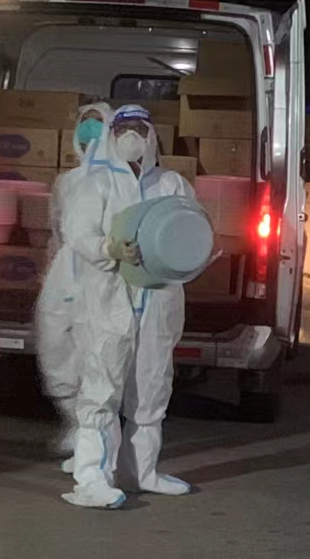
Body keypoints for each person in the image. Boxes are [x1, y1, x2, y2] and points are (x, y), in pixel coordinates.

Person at [62, 103, 194, 508]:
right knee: (101, 390)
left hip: (158, 299)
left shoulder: (172, 184)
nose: (132, 135)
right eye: (123, 128)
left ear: (153, 134)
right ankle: (92, 481)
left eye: (139, 127)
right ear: (111, 135)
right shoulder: (98, 184)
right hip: (109, 298)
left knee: (152, 388)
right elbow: (78, 233)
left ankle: (141, 472)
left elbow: (193, 231)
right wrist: (109, 249)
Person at [35, 102, 113, 465]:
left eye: (98, 125)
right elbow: (55, 229)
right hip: (66, 269)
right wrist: (49, 271)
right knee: (53, 339)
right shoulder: (66, 182)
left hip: (103, 269)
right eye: (86, 124)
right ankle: (72, 417)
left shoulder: (120, 180)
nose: (90, 132)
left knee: (95, 346)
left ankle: (93, 432)